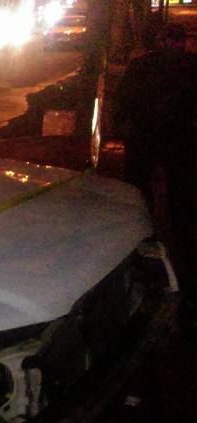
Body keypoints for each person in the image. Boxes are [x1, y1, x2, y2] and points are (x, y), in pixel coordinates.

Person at [114, 23, 197, 320]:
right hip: (153, 135)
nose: (172, 47)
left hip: (172, 136)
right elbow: (124, 99)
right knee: (144, 184)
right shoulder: (148, 66)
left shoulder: (183, 66)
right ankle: (152, 228)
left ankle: (170, 228)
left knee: (177, 187)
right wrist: (124, 124)